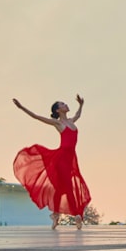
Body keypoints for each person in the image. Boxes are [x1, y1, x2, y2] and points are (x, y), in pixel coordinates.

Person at [12, 95, 92, 229]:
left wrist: (81, 105)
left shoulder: (72, 121)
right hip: (61, 159)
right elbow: (36, 116)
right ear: (57, 110)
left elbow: (78, 115)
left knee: (60, 189)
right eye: (62, 104)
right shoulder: (58, 123)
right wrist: (21, 107)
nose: (65, 105)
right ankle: (77, 214)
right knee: (68, 186)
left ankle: (55, 216)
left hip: (71, 158)